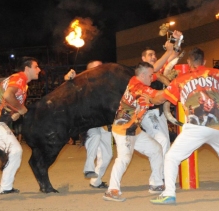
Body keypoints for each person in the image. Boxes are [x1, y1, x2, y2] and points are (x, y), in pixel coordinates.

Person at [149, 48, 219, 205]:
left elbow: (159, 100)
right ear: (204, 62)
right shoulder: (216, 73)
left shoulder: (181, 80)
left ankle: (169, 193)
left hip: (197, 125)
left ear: (189, 63)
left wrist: (149, 97)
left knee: (171, 157)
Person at [103, 62, 165, 202]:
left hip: (134, 130)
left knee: (156, 149)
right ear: (142, 75)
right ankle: (112, 190)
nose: (152, 78)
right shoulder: (138, 87)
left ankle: (156, 183)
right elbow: (158, 96)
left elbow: (154, 77)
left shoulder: (136, 80)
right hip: (123, 129)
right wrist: (175, 88)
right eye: (149, 75)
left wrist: (160, 76)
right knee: (124, 158)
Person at [0, 56, 41, 196]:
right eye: (36, 66)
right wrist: (21, 109)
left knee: (13, 151)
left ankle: (5, 187)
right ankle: (5, 187)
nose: (39, 69)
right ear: (27, 69)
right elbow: (8, 95)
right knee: (16, 151)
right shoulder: (20, 78)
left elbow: (9, 103)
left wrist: (17, 112)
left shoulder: (23, 85)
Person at [65, 60, 114, 189]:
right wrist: (69, 78)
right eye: (95, 68)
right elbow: (67, 87)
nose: (99, 70)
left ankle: (95, 181)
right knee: (96, 136)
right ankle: (88, 166)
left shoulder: (108, 83)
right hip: (88, 123)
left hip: (104, 124)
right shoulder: (82, 83)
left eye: (101, 67)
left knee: (107, 155)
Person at [140, 31, 182, 157]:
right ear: (143, 59)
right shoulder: (142, 70)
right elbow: (154, 69)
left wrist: (178, 40)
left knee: (165, 143)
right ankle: (160, 174)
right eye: (150, 55)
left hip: (160, 112)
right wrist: (168, 51)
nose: (153, 56)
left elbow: (175, 55)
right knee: (162, 140)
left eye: (154, 55)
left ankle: (161, 174)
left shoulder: (159, 68)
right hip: (147, 113)